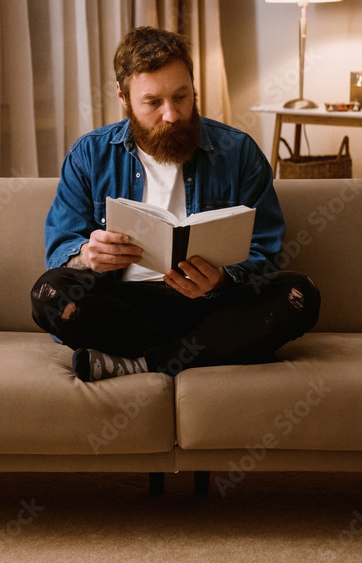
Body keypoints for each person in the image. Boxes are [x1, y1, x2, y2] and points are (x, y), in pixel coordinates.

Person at [31, 27, 320, 381]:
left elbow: (267, 251)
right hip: (126, 307)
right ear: (123, 97)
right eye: (153, 103)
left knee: (299, 293)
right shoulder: (90, 154)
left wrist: (221, 281)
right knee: (48, 293)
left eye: (182, 97)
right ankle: (208, 349)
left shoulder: (239, 152)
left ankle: (143, 362)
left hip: (212, 307)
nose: (172, 115)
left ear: (193, 89)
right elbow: (59, 249)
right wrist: (87, 256)